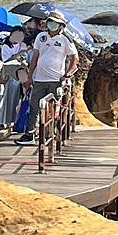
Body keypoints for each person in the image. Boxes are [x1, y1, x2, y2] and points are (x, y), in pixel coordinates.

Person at [15, 11, 79, 145]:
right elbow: (35, 56)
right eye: (50, 22)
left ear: (60, 25)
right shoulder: (41, 37)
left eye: (54, 22)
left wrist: (67, 74)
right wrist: (31, 74)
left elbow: (74, 58)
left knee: (53, 107)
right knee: (34, 107)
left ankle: (51, 134)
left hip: (56, 79)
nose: (51, 24)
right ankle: (30, 134)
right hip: (39, 78)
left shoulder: (65, 38)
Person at [0, 26, 26, 128]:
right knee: (8, 97)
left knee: (20, 98)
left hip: (22, 71)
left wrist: (21, 58)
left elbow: (25, 56)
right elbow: (6, 60)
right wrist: (17, 55)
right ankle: (3, 120)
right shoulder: (5, 46)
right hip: (10, 72)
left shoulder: (22, 45)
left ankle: (16, 120)